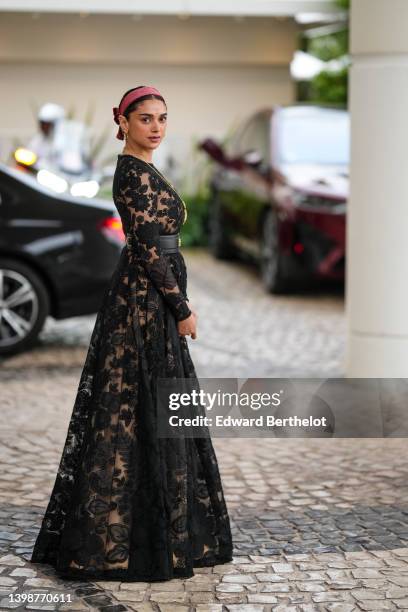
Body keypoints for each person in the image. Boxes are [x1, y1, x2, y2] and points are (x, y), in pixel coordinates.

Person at [30, 85, 233, 582]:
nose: (157, 127)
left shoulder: (146, 167)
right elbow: (146, 250)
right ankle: (135, 535)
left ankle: (159, 522)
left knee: (153, 407)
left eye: (162, 118)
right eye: (145, 119)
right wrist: (182, 307)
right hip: (144, 304)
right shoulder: (130, 174)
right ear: (121, 121)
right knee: (135, 406)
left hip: (151, 301)